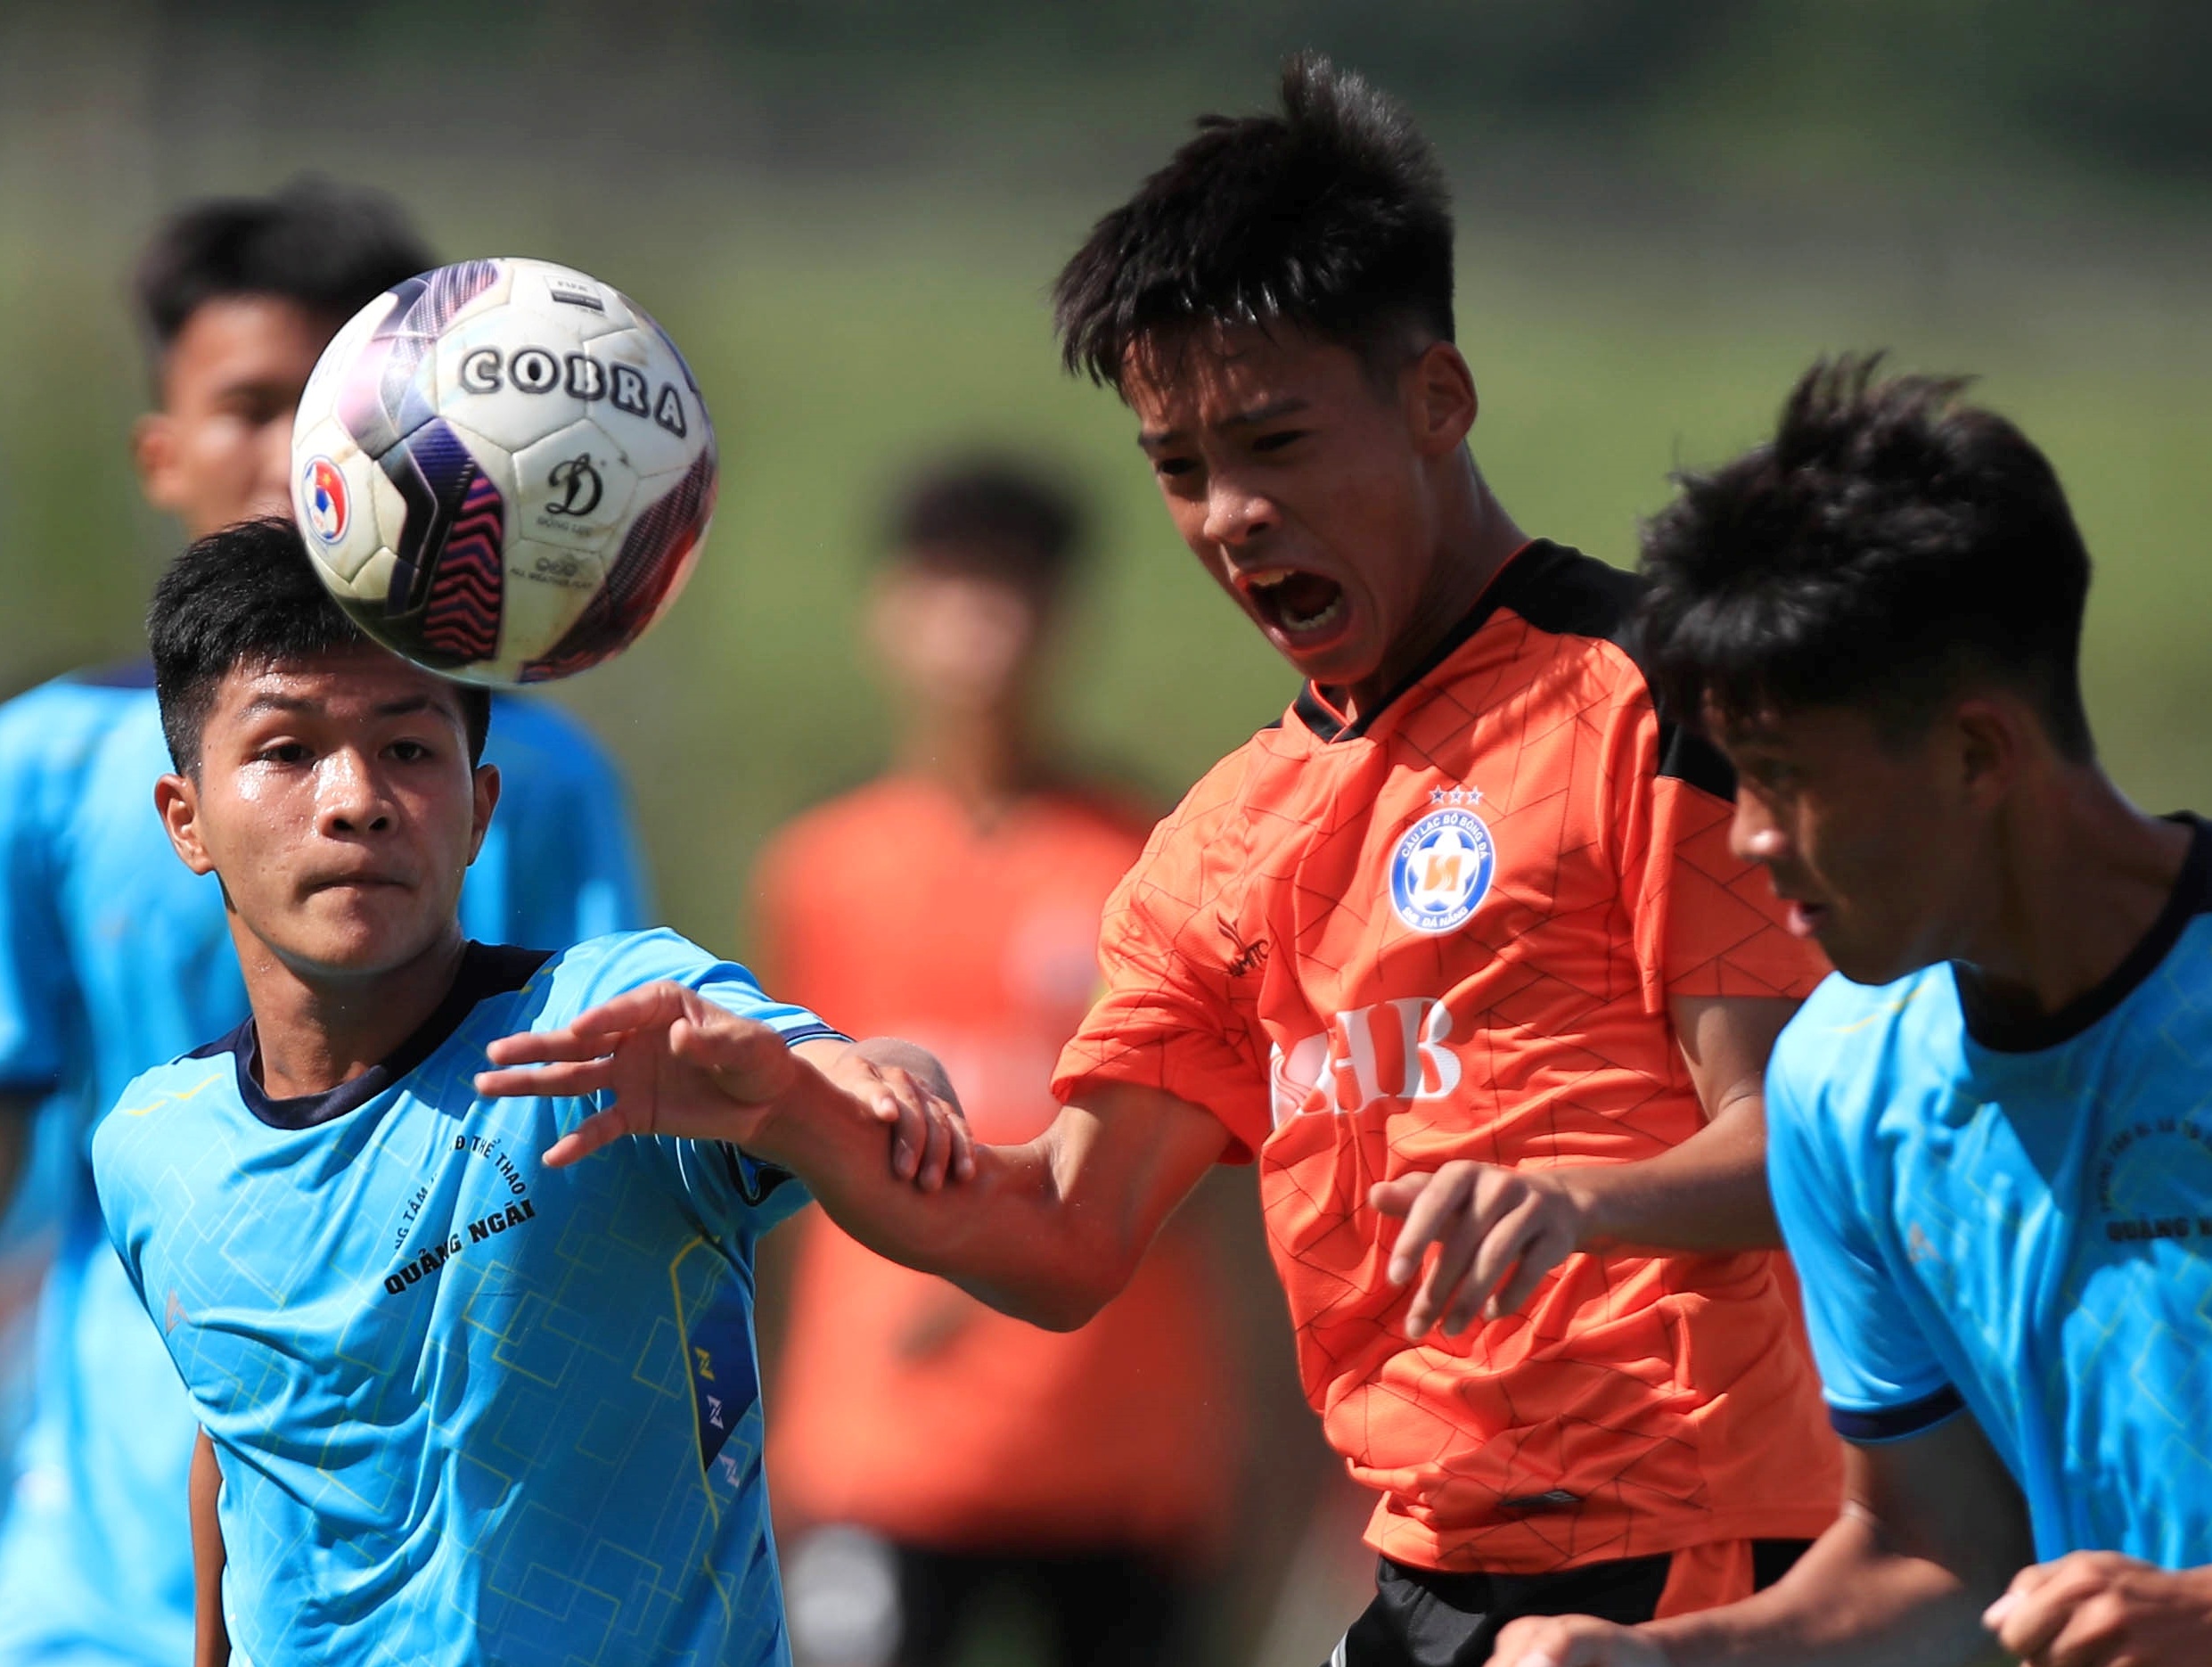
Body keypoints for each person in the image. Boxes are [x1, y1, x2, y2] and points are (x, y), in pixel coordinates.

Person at [485, 57, 1848, 1665]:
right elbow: (1064, 1238)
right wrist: (787, 1109)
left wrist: (1578, 1201)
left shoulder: (1643, 700)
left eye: (1276, 442)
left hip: (1697, 1570)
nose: (1233, 516)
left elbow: (1809, 1146)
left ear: (1437, 400)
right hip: (1422, 1579)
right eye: (1180, 468)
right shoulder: (1222, 838)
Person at [93, 518, 972, 1664]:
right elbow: (239, 1440)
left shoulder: (606, 1031)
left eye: (407, 749)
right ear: (187, 820)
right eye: (288, 751)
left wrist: (884, 1088)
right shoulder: (152, 1149)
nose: (354, 797)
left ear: (481, 809)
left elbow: (860, 1080)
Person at [0, 177, 649, 1667]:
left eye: (346, 407)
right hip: (102, 1569)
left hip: (433, 1552)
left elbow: (618, 1132)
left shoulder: (529, 779)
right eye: (249, 404)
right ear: (162, 455)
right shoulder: (37, 769)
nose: (299, 451)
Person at [1487, 359, 2212, 1667]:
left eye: (1783, 780)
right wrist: (1656, 1659)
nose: (1748, 838)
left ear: (1977, 754)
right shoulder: (1843, 1085)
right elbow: (1933, 1550)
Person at [760, 461, 1236, 1667]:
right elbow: (784, 1157)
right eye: (952, 590)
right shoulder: (825, 869)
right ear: (891, 613)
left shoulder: (1151, 862)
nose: (984, 631)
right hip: (882, 1450)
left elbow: (1212, 1165)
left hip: (1113, 1448)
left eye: (1015, 593)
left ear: (1064, 617)